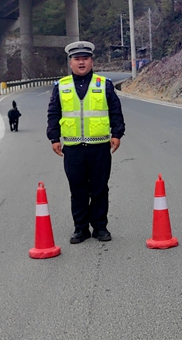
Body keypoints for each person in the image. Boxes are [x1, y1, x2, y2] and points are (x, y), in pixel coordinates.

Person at [46, 41, 125, 244]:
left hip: (99, 147)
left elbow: (115, 111)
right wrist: (54, 138)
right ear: (70, 62)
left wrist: (117, 133)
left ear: (91, 61)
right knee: (77, 189)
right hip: (72, 148)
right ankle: (80, 229)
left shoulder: (103, 84)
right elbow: (53, 113)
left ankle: (100, 227)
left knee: (100, 189)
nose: (81, 62)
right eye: (77, 59)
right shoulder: (61, 86)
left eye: (85, 58)